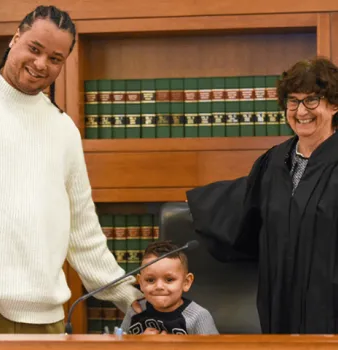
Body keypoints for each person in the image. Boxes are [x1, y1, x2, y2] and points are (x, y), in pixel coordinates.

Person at [0, 5, 142, 334]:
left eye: (55, 59)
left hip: (47, 321)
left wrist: (128, 296)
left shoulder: (64, 130)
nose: (41, 64)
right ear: (15, 38)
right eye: (34, 49)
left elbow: (82, 228)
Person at [186, 57, 338, 334]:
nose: (301, 111)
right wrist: (198, 202)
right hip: (278, 296)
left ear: (334, 105)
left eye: (312, 100)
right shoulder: (274, 161)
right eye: (293, 101)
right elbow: (246, 207)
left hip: (328, 300)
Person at [120, 241, 219, 335]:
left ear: (186, 282)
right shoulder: (135, 311)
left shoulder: (198, 317)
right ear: (140, 282)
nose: (159, 286)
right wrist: (140, 343)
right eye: (150, 280)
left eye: (169, 280)